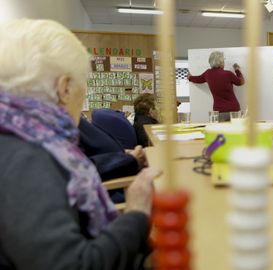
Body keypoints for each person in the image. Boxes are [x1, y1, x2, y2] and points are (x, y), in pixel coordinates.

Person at [0, 19, 159, 270]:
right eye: (81, 90)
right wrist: (137, 213)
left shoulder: (28, 138)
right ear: (64, 89)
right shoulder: (25, 159)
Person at [79, 115, 146, 180]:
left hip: (122, 165)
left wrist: (123, 153)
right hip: (116, 183)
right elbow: (78, 170)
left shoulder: (73, 120)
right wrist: (130, 159)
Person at [188, 51, 245, 122]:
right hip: (234, 110)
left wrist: (190, 77)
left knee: (221, 132)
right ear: (221, 62)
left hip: (219, 111)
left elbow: (198, 79)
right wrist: (237, 70)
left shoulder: (207, 74)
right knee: (235, 132)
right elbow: (241, 82)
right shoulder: (228, 74)